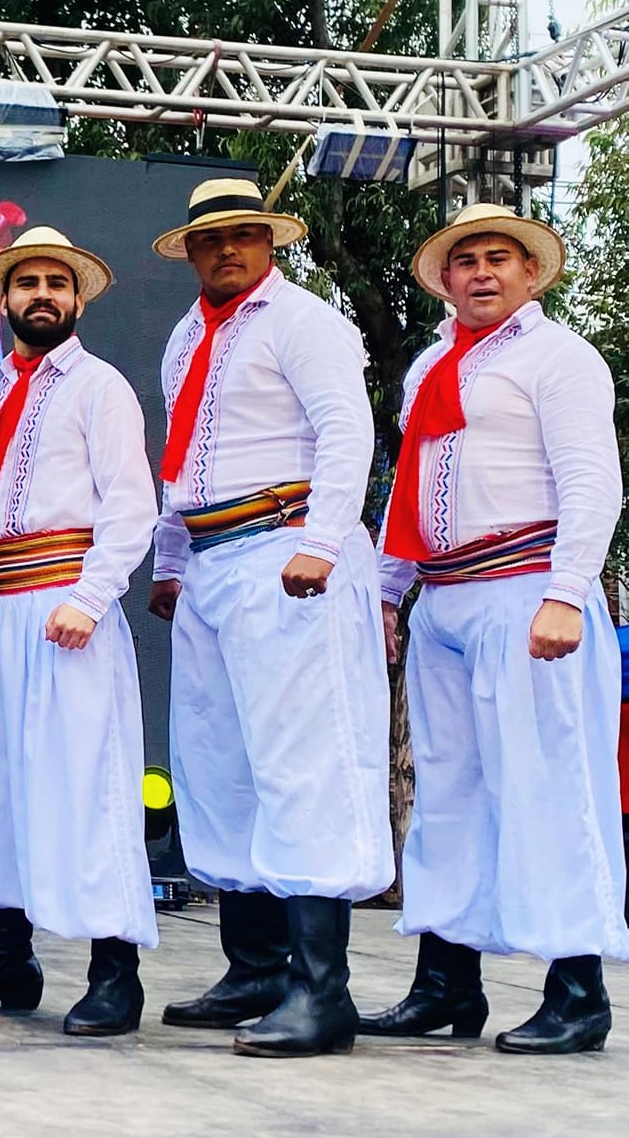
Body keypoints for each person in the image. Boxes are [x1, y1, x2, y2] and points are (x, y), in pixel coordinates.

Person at [360, 203, 627, 1055]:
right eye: (464, 259)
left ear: (531, 273)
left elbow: (593, 480)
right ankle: (446, 980)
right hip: (446, 594)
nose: (480, 272)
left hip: (528, 584)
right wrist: (389, 591)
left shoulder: (560, 356)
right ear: (445, 278)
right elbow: (412, 480)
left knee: (550, 786)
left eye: (498, 258)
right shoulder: (433, 363)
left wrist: (567, 589)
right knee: (447, 793)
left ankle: (578, 988)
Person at [147, 178, 392, 1059]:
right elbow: (181, 451)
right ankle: (252, 966)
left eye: (242, 236)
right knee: (223, 764)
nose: (226, 251)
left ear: (268, 241)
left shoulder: (305, 319)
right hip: (213, 558)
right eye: (210, 239)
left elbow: (345, 429)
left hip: (287, 541)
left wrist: (323, 540)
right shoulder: (186, 337)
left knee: (302, 761)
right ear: (193, 250)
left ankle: (322, 990)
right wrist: (171, 560)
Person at [0, 228, 159, 1037]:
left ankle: (114, 973)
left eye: (58, 282)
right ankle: (1, 958)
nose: (43, 295)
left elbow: (131, 504)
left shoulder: (101, 387)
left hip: (66, 602)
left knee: (86, 783)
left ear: (79, 299)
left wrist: (91, 598)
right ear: (4, 298)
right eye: (28, 283)